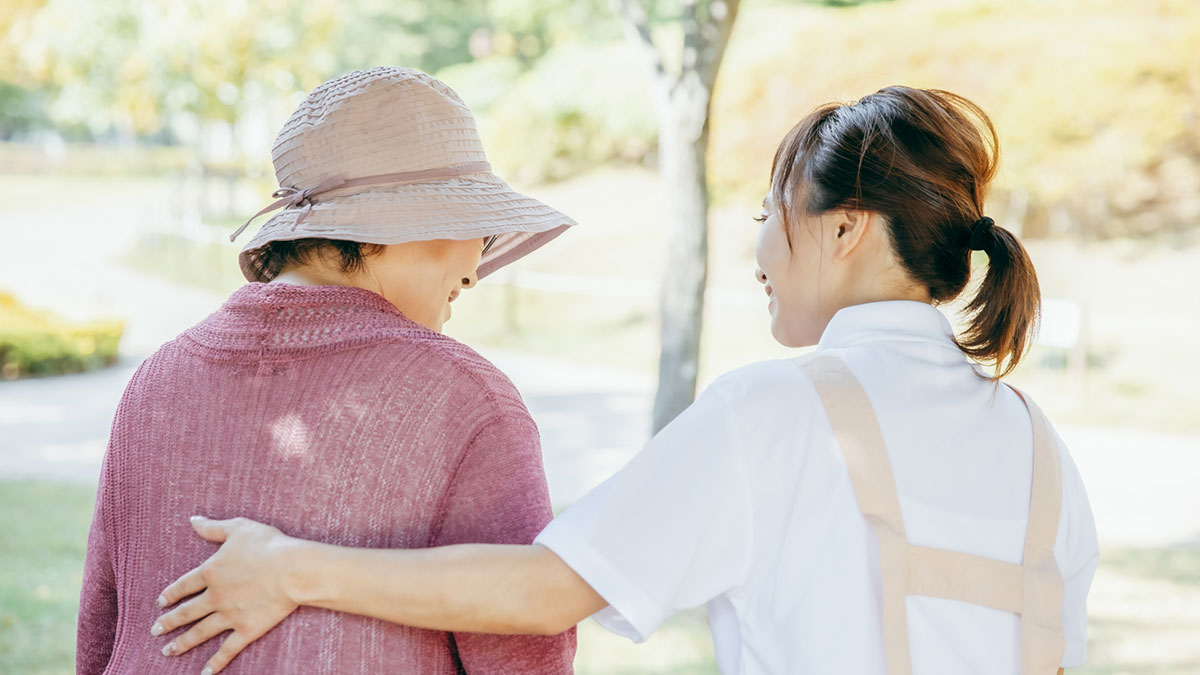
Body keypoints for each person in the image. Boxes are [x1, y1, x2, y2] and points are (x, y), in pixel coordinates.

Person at [151, 86, 1100, 674]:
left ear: (845, 228)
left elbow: (546, 589)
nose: (759, 246)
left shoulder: (779, 409)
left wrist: (289, 568)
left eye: (772, 213)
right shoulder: (1039, 447)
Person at [76, 66, 578, 674]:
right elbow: (523, 652)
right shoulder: (465, 399)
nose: (476, 269)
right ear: (397, 229)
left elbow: (104, 632)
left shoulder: (157, 379)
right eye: (479, 227)